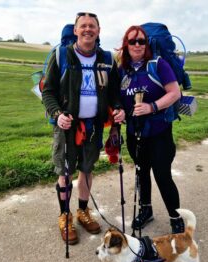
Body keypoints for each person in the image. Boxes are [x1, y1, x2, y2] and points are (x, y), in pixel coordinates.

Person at [42, 12, 125, 244]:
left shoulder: (108, 59)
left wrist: (118, 108)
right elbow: (48, 91)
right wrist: (57, 114)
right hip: (67, 126)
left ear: (98, 31)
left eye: (92, 26)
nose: (88, 29)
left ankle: (82, 211)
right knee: (65, 171)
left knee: (87, 169)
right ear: (76, 30)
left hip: (93, 127)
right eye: (83, 26)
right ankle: (65, 215)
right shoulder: (61, 55)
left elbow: (114, 93)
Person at [118, 25, 185, 234]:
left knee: (162, 175)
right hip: (134, 132)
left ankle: (176, 218)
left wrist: (152, 107)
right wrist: (119, 111)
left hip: (159, 132)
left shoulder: (158, 64)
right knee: (141, 172)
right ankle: (146, 210)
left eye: (141, 41)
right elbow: (116, 98)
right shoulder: (122, 71)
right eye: (132, 41)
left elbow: (175, 93)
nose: (137, 45)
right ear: (126, 45)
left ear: (147, 44)